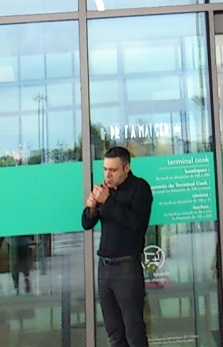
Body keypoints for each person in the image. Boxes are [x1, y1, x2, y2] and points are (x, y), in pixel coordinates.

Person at [82, 147, 154, 347]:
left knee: (134, 331)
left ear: (126, 168)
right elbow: (87, 224)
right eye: (105, 169)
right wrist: (91, 208)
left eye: (113, 170)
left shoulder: (140, 188)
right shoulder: (105, 190)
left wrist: (107, 201)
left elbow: (136, 223)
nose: (108, 175)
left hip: (126, 267)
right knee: (114, 332)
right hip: (104, 267)